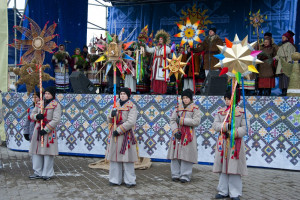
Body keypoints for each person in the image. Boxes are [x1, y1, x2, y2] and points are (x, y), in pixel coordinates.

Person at [212, 91, 248, 200]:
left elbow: (245, 128)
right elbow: (215, 125)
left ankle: (235, 193)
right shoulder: (221, 112)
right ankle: (223, 190)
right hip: (222, 142)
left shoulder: (242, 112)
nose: (227, 101)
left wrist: (233, 133)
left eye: (229, 99)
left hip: (235, 144)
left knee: (234, 168)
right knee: (223, 167)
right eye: (226, 99)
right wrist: (226, 126)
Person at [167, 89, 201, 183]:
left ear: (191, 98)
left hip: (188, 136)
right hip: (177, 134)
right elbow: (172, 120)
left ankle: (185, 176)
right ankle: (175, 174)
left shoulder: (195, 108)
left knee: (186, 156)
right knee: (175, 155)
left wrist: (182, 120)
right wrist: (175, 131)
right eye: (183, 98)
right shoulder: (177, 108)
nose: (185, 100)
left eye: (187, 98)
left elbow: (196, 121)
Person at [106, 87, 138, 187]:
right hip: (115, 132)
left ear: (128, 95)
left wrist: (119, 131)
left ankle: (130, 180)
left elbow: (131, 122)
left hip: (125, 134)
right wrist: (111, 115)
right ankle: (115, 179)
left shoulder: (132, 106)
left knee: (127, 158)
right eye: (121, 94)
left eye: (124, 94)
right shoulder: (115, 105)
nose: (122, 95)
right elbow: (109, 120)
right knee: (115, 157)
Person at [29, 86, 62, 181]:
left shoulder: (56, 105)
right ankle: (37, 171)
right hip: (38, 130)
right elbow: (32, 115)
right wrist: (37, 116)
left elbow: (56, 119)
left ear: (53, 95)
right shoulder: (39, 103)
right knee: (37, 151)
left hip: (49, 132)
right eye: (46, 93)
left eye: (49, 94)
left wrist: (46, 129)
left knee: (48, 152)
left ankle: (47, 173)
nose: (47, 95)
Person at [145, 30, 171, 94]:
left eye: (161, 39)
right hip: (156, 63)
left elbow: (169, 51)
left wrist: (163, 47)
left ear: (164, 40)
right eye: (159, 39)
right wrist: (144, 45)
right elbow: (149, 50)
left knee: (162, 77)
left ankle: (162, 91)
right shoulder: (156, 47)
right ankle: (155, 90)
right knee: (155, 76)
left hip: (162, 63)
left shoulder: (166, 47)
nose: (160, 41)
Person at [275, 30, 296, 96]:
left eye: (283, 37)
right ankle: (283, 91)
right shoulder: (281, 46)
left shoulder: (290, 45)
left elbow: (290, 55)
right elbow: (278, 55)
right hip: (281, 63)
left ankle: (286, 91)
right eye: (282, 37)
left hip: (286, 63)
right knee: (282, 78)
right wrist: (276, 58)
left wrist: (288, 63)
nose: (282, 39)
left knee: (286, 78)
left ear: (287, 38)